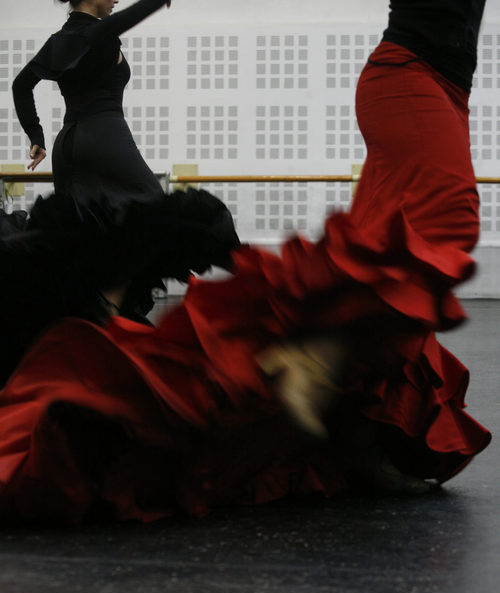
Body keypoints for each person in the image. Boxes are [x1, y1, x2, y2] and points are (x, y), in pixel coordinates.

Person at [0, 1, 491, 525]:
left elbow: (27, 81)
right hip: (409, 80)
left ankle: (352, 419)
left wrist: (36, 136)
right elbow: (72, 53)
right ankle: (315, 352)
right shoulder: (85, 34)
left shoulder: (75, 38)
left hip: (440, 88)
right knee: (443, 222)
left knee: (383, 251)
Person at [12, 0, 172, 205]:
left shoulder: (58, 41)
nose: (116, 0)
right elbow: (128, 17)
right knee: (154, 202)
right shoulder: (98, 32)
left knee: (77, 218)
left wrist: (36, 136)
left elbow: (21, 86)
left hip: (66, 145)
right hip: (104, 135)